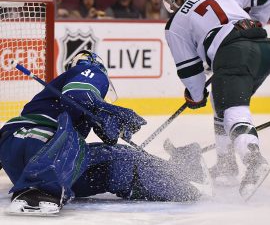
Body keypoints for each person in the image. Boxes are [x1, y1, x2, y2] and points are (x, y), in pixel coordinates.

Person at [0, 50, 212, 215]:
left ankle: (182, 171)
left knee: (114, 162)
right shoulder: (92, 71)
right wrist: (106, 109)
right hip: (47, 148)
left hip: (14, 154)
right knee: (120, 157)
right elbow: (80, 93)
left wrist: (103, 118)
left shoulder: (50, 98)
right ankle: (39, 192)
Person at [162, 0, 270, 200]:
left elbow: (190, 70)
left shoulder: (175, 23)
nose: (171, 6)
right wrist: (259, 21)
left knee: (233, 112)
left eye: (172, 0)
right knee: (220, 101)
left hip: (234, 53)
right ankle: (226, 167)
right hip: (262, 47)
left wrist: (196, 95)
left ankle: (253, 160)